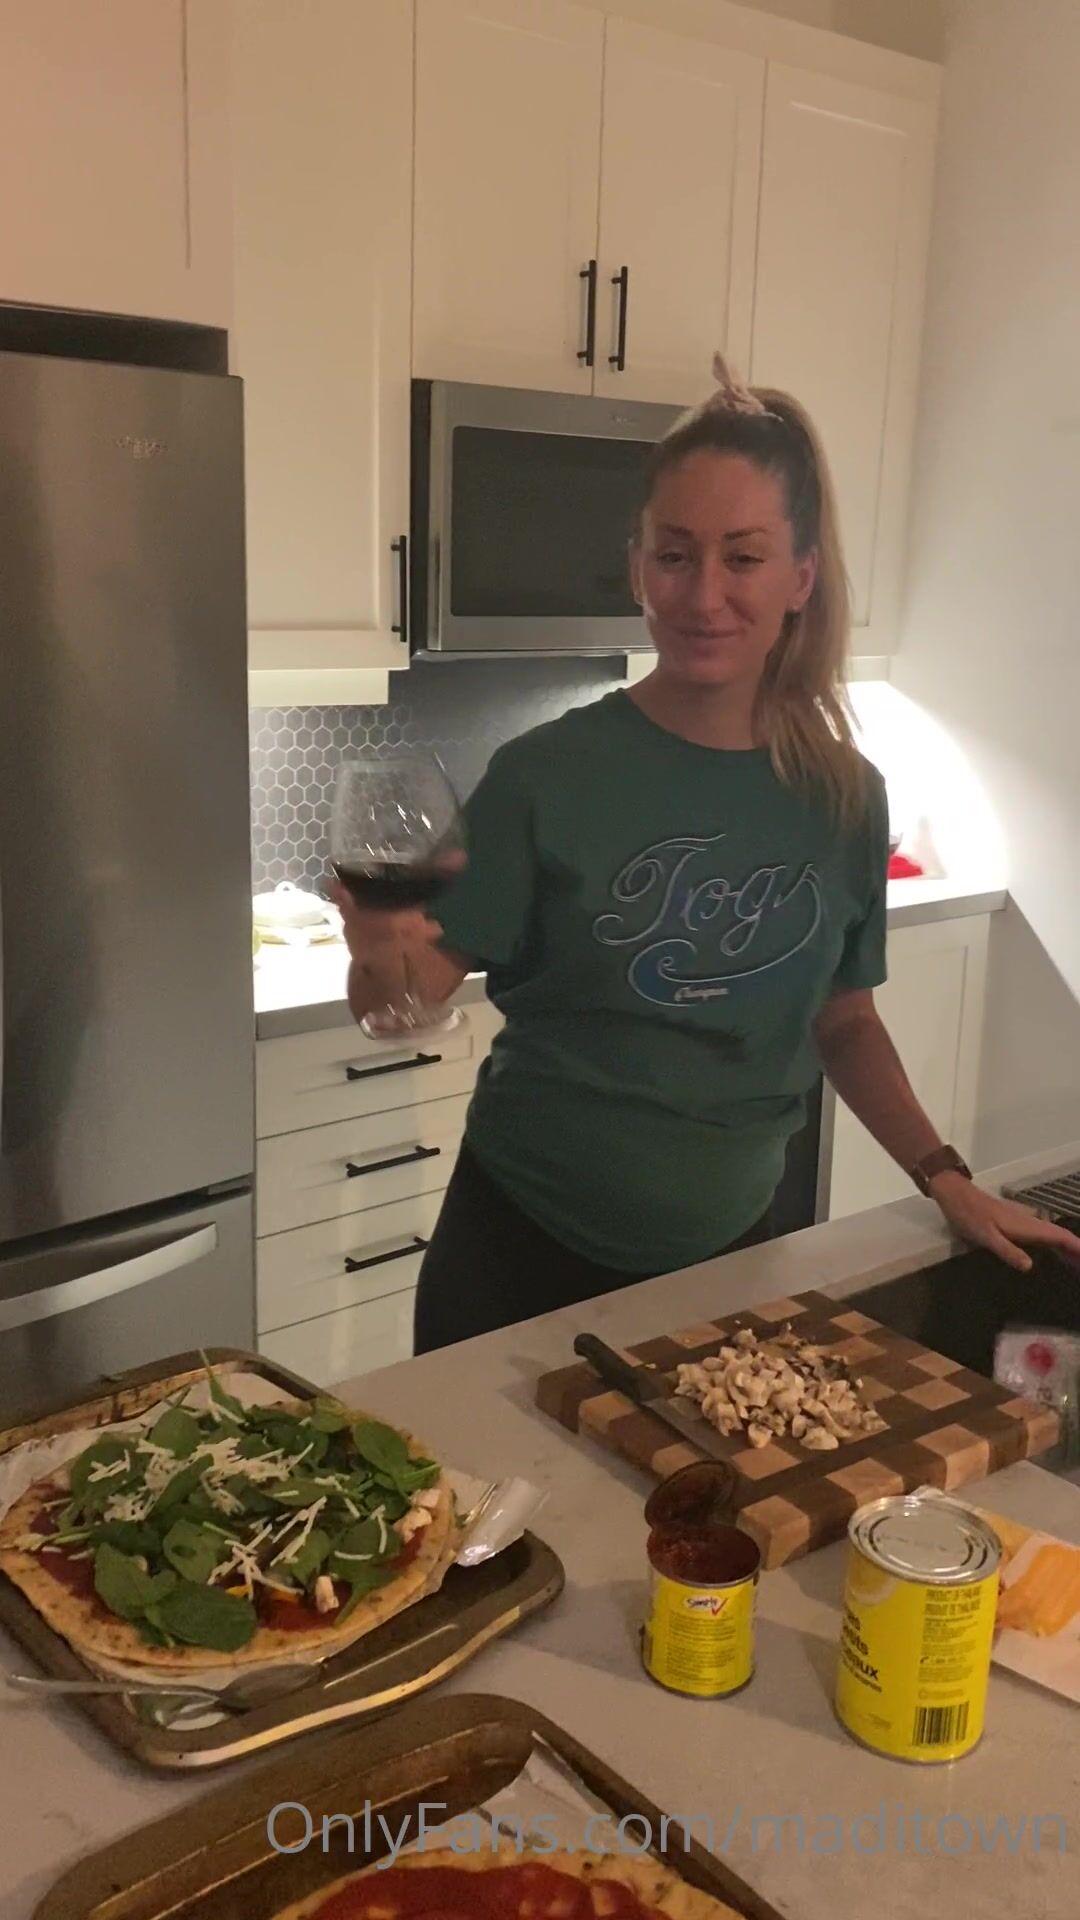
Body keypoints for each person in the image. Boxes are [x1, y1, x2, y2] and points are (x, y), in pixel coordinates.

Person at [335, 355, 1080, 1353]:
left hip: (727, 1262)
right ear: (638, 566)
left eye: (744, 557)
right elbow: (401, 1005)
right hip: (518, 1256)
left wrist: (945, 1176)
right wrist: (379, 953)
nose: (704, 594)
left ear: (801, 576)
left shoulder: (845, 797)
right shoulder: (545, 775)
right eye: (676, 555)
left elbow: (846, 1021)